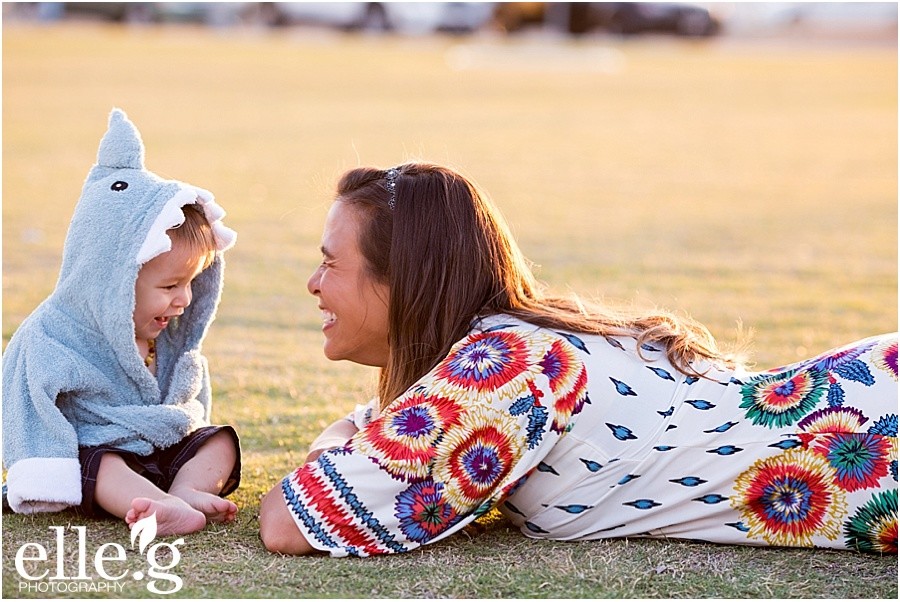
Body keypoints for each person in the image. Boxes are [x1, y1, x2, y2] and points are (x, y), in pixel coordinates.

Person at [258, 162, 897, 557]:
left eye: (331, 262)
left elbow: (291, 520)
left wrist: (339, 443)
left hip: (873, 436)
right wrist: (355, 432)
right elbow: (383, 423)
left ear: (406, 281)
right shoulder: (513, 346)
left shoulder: (503, 367)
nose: (314, 283)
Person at [2, 109, 241, 536]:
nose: (184, 300)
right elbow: (24, 402)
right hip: (101, 453)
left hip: (161, 450)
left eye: (191, 283)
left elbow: (189, 400)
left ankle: (185, 490)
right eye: (170, 285)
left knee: (219, 440)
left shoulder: (172, 340)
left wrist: (188, 430)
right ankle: (152, 505)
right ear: (113, 279)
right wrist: (43, 470)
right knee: (100, 464)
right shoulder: (53, 335)